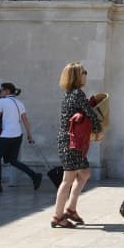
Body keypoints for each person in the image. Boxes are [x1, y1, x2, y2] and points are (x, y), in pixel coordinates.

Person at [51, 62, 103, 228]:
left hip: (69, 141)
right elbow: (91, 114)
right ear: (76, 76)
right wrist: (99, 130)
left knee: (85, 173)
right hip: (71, 142)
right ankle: (58, 216)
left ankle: (71, 209)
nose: (86, 75)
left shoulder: (69, 94)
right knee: (68, 179)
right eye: (83, 72)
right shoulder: (77, 94)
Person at [0, 83, 42, 193]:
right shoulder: (19, 102)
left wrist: (0, 103)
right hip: (18, 135)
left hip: (6, 135)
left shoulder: (2, 101)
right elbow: (25, 119)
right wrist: (29, 135)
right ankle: (34, 176)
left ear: (7, 91)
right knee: (13, 160)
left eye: (1, 90)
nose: (0, 92)